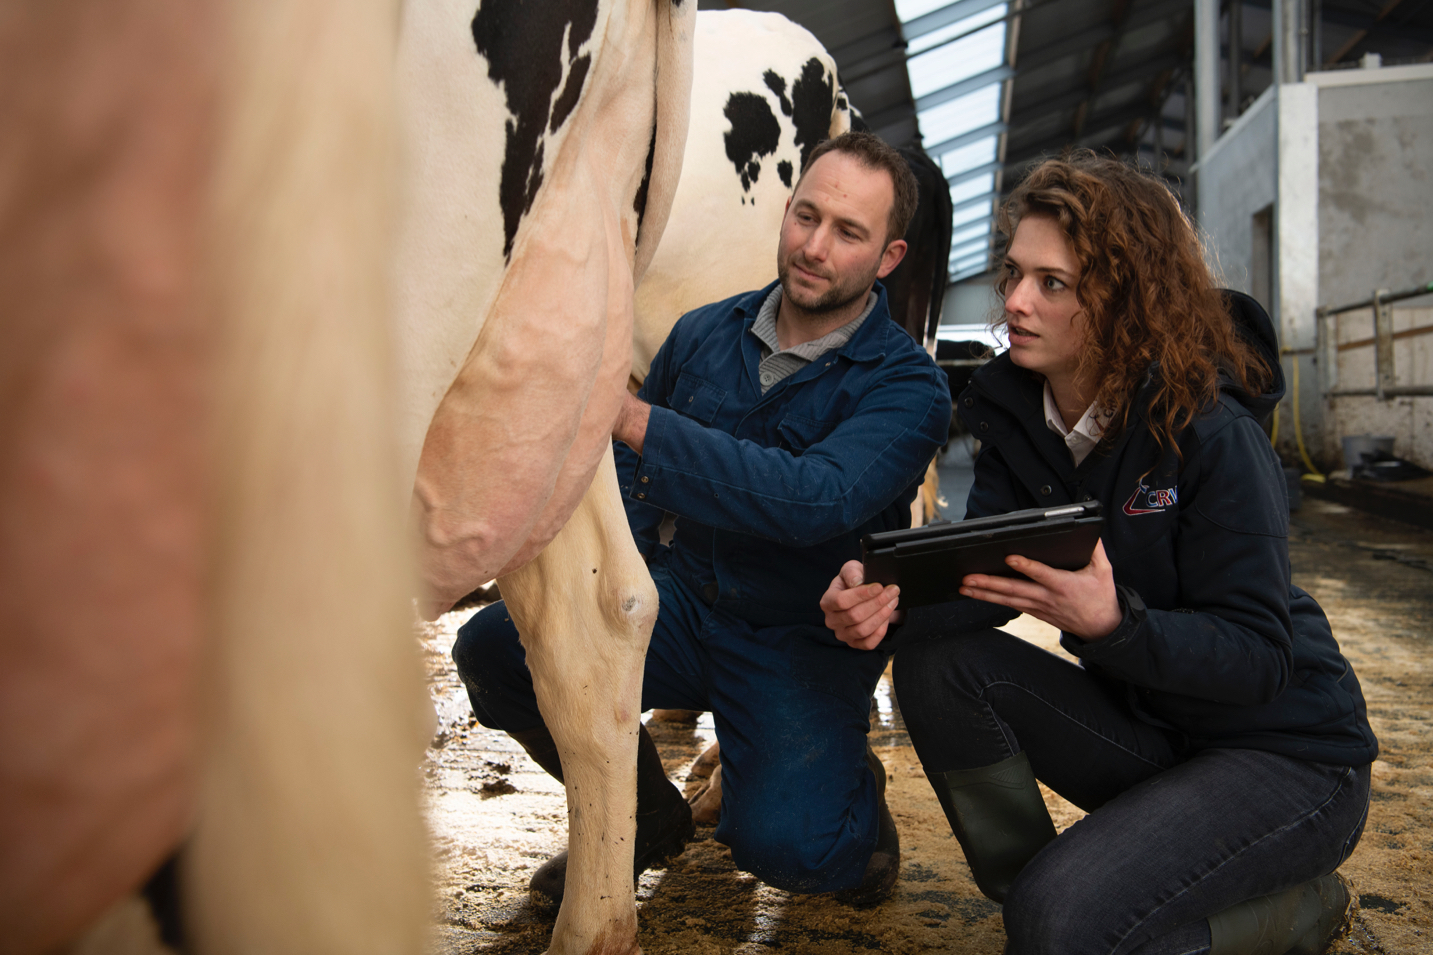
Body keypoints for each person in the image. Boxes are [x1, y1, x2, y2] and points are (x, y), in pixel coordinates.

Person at [821, 151, 1377, 955]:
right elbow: (984, 582)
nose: (1012, 301)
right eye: (1014, 272)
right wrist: (883, 604)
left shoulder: (1213, 433)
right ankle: (1062, 899)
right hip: (1157, 730)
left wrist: (1116, 623)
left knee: (1067, 924)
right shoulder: (1023, 417)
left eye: (1053, 283)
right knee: (942, 670)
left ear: (1126, 299)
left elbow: (1260, 658)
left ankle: (1290, 911)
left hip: (1286, 757)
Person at [452, 131, 951, 911]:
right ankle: (645, 818)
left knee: (790, 847)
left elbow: (814, 497)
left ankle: (854, 798)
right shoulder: (703, 332)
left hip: (797, 639)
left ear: (887, 257)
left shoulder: (910, 387)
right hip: (681, 604)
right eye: (805, 216)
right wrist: (622, 582)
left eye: (846, 232)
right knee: (494, 647)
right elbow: (630, 485)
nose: (813, 247)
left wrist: (635, 419)